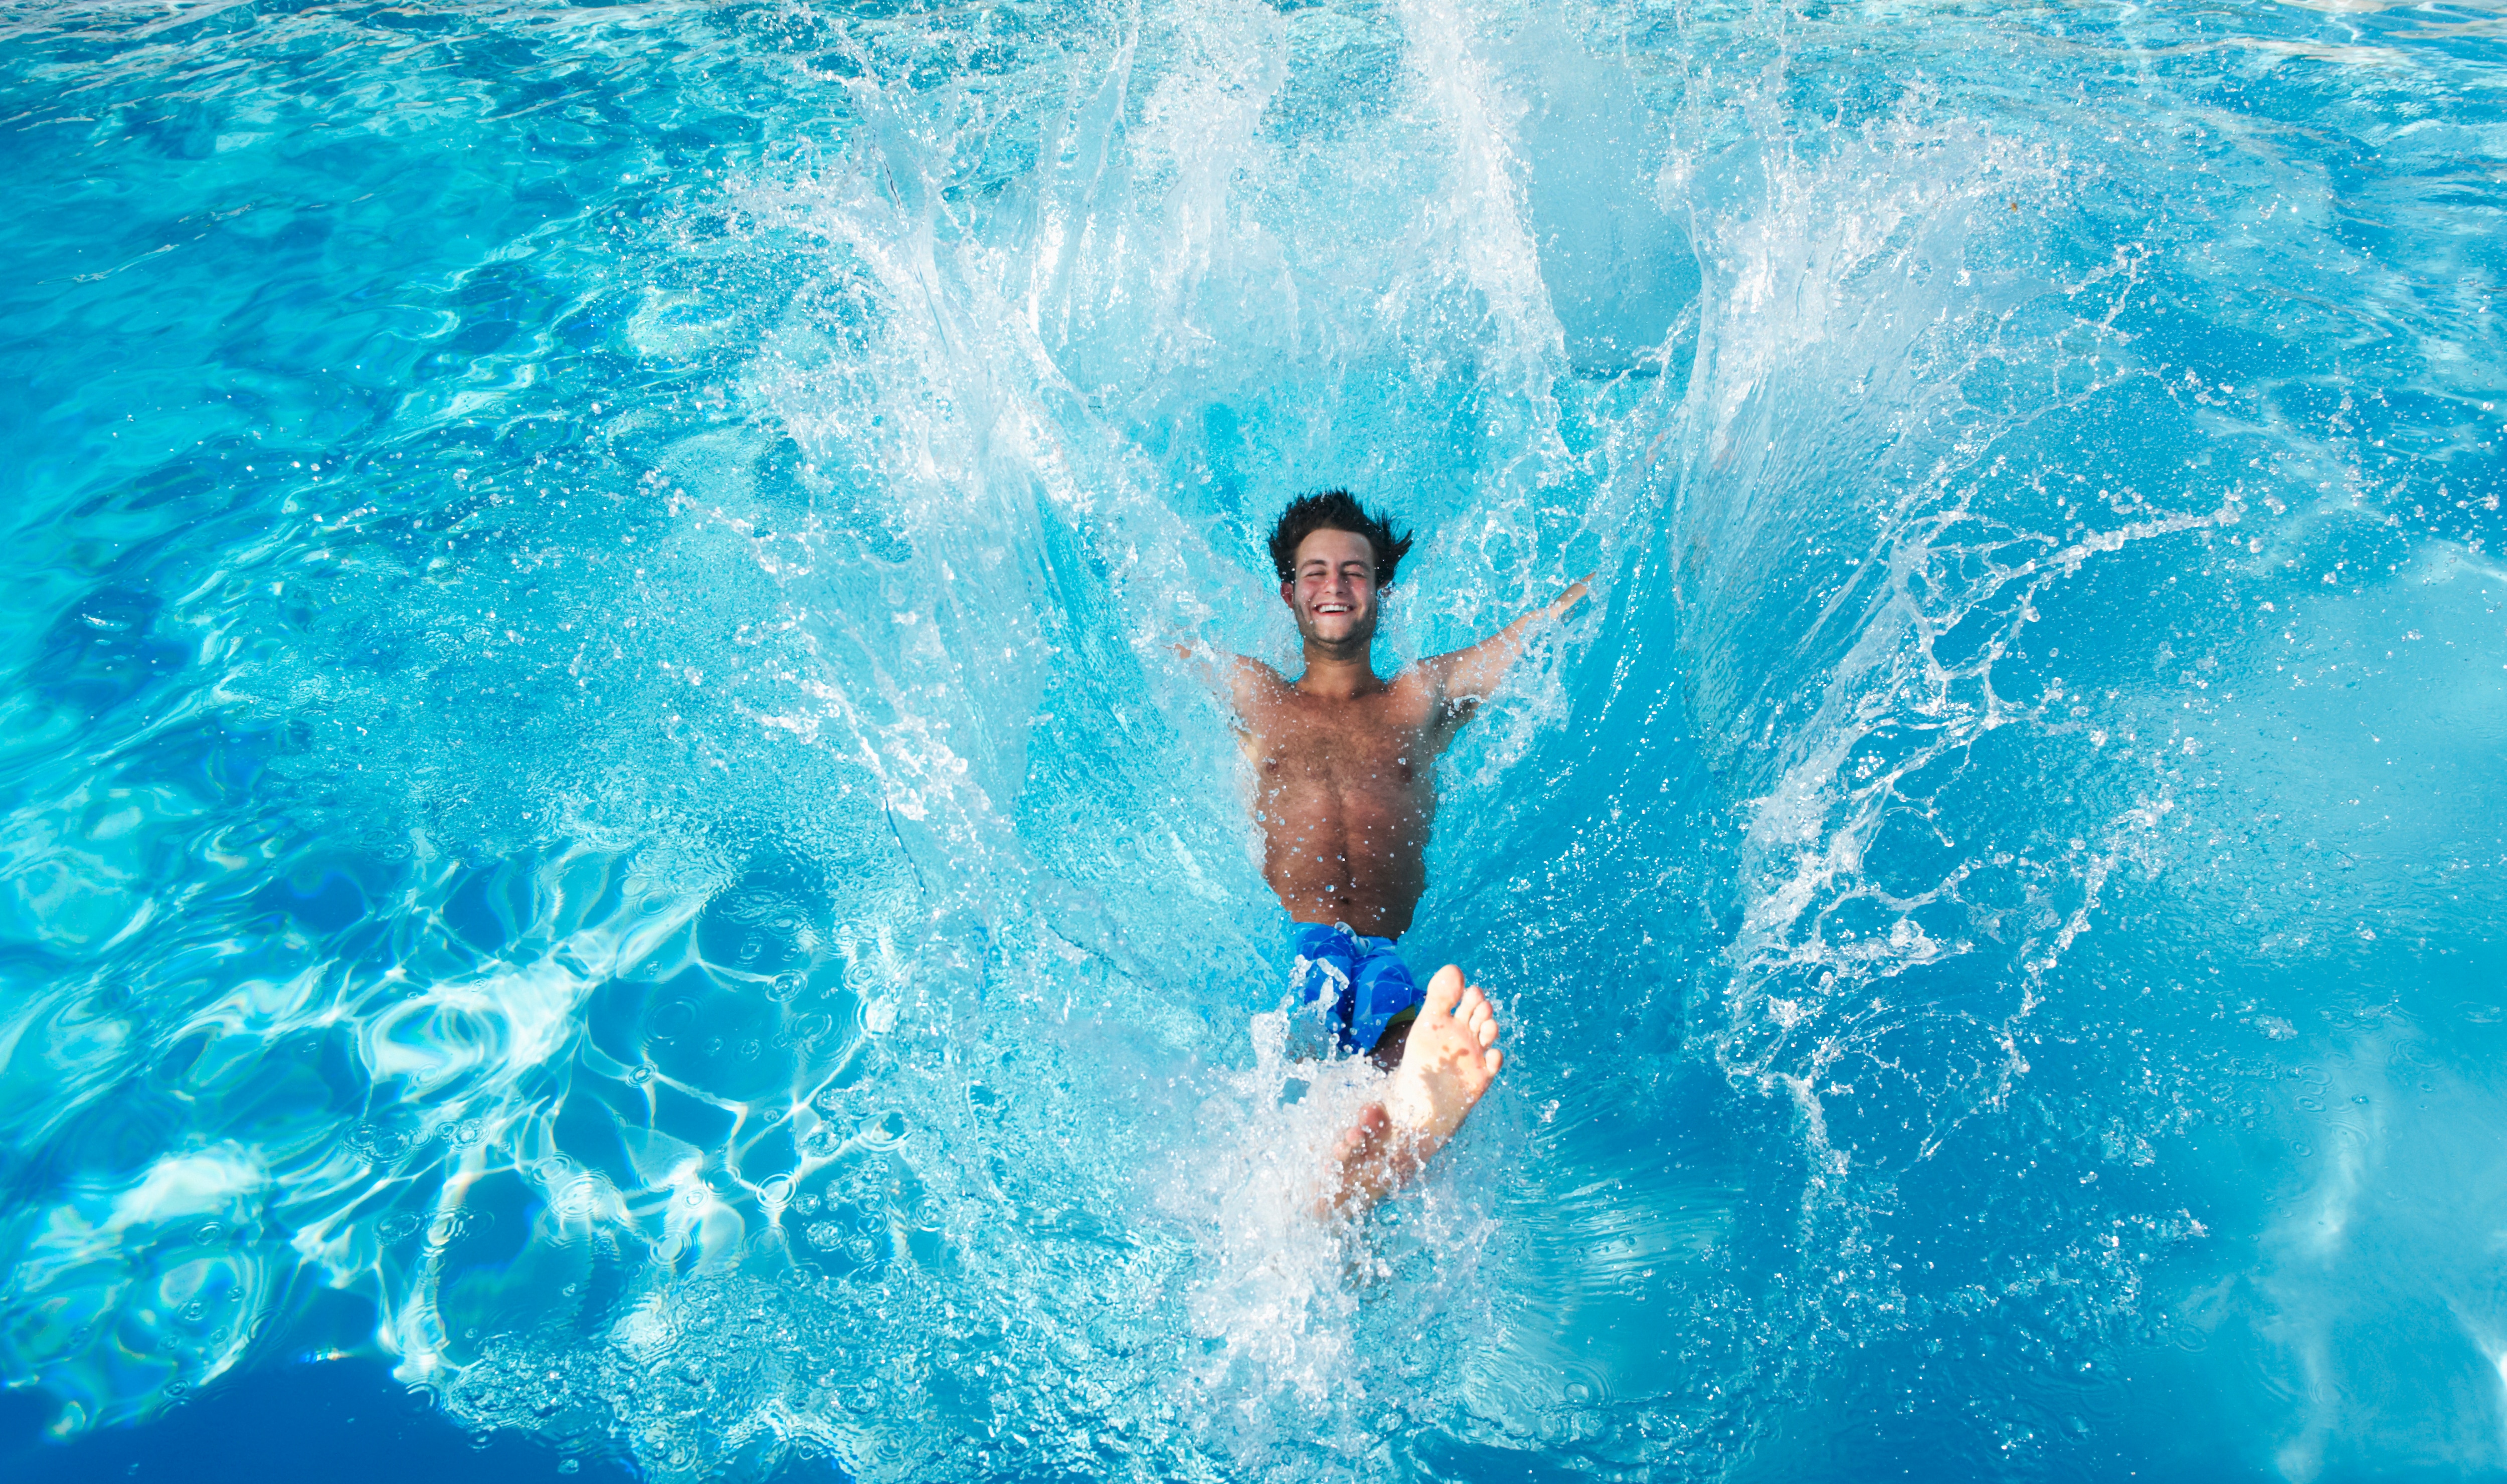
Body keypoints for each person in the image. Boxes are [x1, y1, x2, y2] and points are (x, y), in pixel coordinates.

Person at [1189, 489, 1589, 1216]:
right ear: (1289, 593)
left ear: (1380, 589)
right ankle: (1364, 1160)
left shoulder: (1418, 699)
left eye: (1354, 571)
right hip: (1294, 946)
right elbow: (1156, 638)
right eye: (1316, 572)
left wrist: (1632, 533)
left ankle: (1388, 1135)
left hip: (1384, 951)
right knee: (1313, 1033)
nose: (1334, 586)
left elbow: (1534, 634)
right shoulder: (1257, 694)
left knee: (1397, 1032)